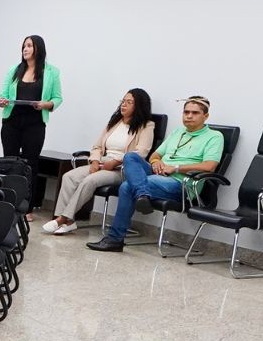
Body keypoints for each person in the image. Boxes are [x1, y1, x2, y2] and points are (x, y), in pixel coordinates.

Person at [86, 96, 222, 253]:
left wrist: (175, 168)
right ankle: (142, 194)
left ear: (206, 116)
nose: (189, 116)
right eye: (186, 112)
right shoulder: (178, 132)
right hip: (157, 174)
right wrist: (157, 163)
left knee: (126, 187)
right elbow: (155, 155)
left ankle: (115, 239)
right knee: (131, 157)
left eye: (195, 113)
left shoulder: (214, 136)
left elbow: (209, 166)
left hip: (181, 184)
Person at [41, 88, 154, 235]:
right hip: (102, 162)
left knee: (90, 180)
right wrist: (94, 161)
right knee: (69, 177)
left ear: (139, 106)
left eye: (129, 102)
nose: (123, 105)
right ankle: (69, 222)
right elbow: (97, 146)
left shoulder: (147, 125)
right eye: (123, 101)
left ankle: (61, 219)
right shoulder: (115, 122)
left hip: (122, 168)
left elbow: (141, 152)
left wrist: (115, 162)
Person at [0, 34, 61, 212]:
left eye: (29, 46)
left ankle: (27, 207)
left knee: (31, 164)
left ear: (38, 48)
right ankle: (8, 203)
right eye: (24, 46)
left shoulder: (52, 72)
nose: (25, 49)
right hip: (12, 121)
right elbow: (3, 94)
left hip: (35, 123)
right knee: (10, 162)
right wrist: (1, 101)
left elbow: (57, 98)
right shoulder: (14, 70)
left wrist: (46, 104)